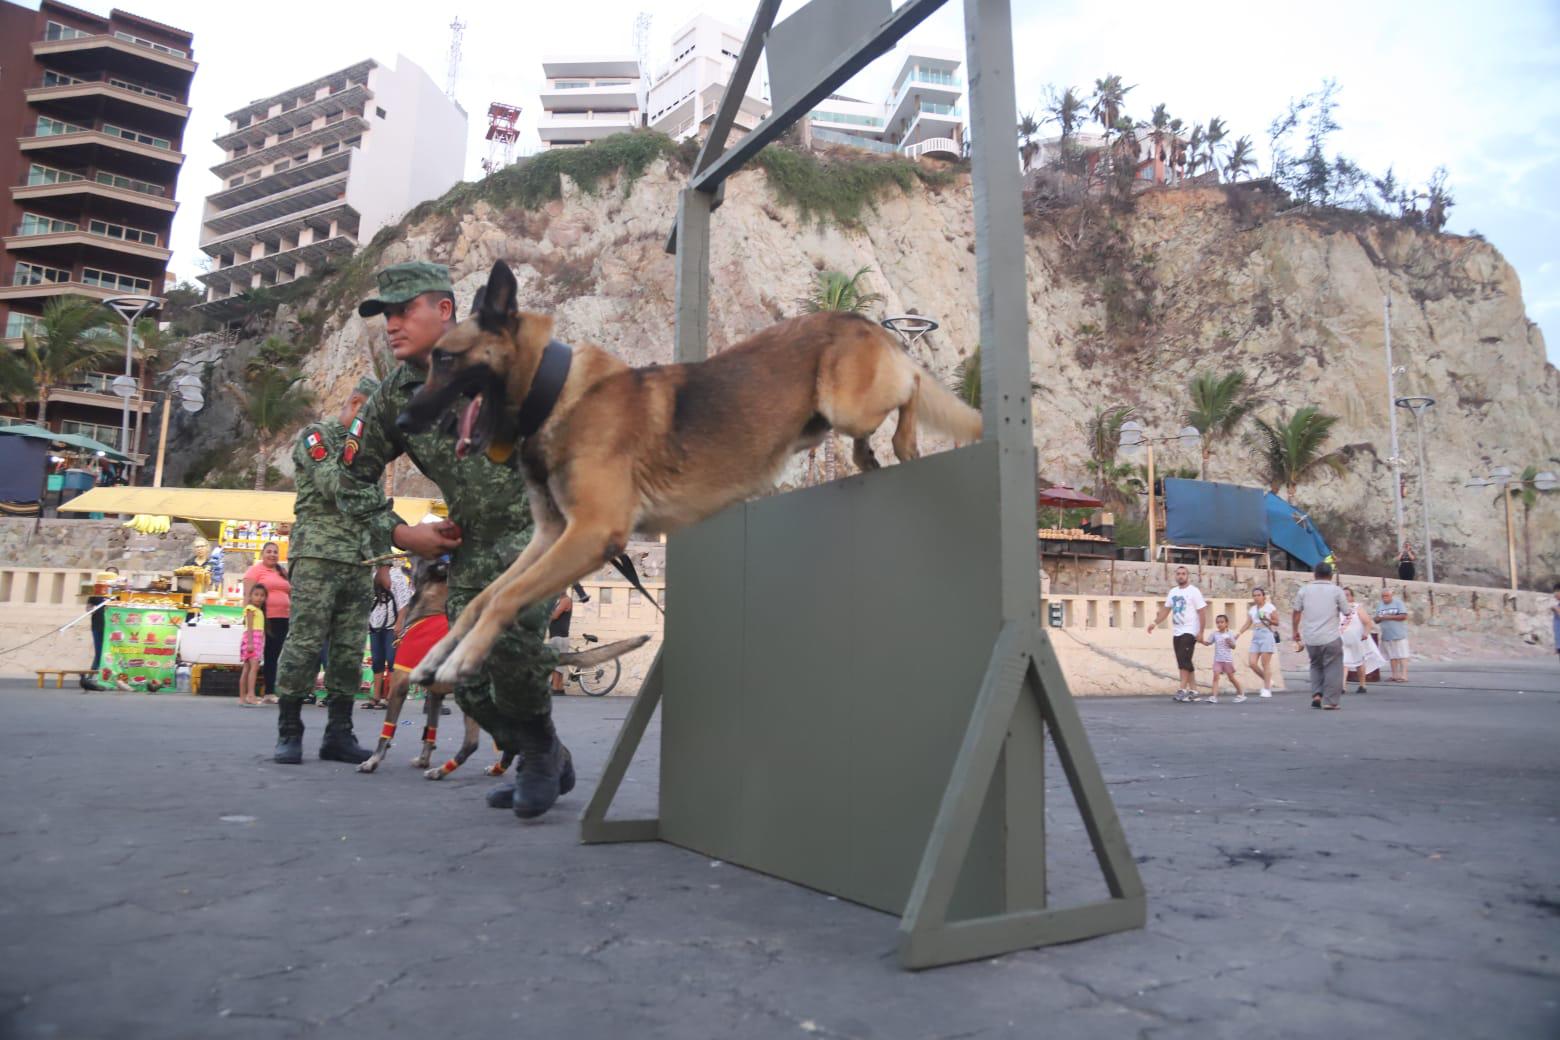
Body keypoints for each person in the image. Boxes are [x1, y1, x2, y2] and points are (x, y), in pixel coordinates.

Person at [333, 262, 569, 819]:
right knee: (463, 677)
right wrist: (402, 533)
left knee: (509, 648)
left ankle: (536, 757)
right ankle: (545, 751)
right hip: (469, 543)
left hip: (536, 533)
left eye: (403, 310)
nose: (391, 324)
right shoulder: (394, 397)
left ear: (444, 311)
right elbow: (349, 477)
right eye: (384, 315)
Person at [268, 377, 382, 765]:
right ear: (354, 404)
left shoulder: (367, 450)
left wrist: (381, 562)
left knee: (350, 650)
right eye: (369, 415)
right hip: (318, 555)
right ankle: (290, 730)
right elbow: (334, 485)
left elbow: (376, 509)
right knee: (305, 642)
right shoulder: (318, 438)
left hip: (358, 560)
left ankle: (339, 734)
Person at [1292, 561, 1350, 710]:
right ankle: (1330, 701)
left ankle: (1317, 695)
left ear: (1314, 574)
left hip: (1311, 637)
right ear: (1331, 575)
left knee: (1315, 665)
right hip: (1330, 636)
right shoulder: (1337, 591)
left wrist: (1295, 631)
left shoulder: (1304, 590)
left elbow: (1296, 612)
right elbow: (1347, 611)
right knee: (1333, 667)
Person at [1147, 564, 1209, 703]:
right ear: (1175, 576)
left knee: (1183, 659)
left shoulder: (1194, 591)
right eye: (1178, 573)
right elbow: (1166, 610)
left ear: (1187, 576)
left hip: (1190, 630)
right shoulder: (1173, 592)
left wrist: (1201, 632)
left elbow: (1202, 612)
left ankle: (1182, 690)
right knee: (1185, 660)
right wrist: (1154, 623)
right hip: (1177, 631)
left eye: (1183, 573)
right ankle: (1194, 691)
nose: (1180, 576)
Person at [242, 542, 291, 701]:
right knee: (257, 656)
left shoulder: (282, 571)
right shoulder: (254, 571)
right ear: (262, 553)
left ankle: (269, 690)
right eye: (269, 551)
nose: (272, 555)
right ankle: (251, 692)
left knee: (274, 655)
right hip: (264, 618)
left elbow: (290, 592)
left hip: (283, 617)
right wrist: (247, 618)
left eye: (275, 552)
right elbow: (247, 596)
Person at [365, 562, 412, 709]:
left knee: (392, 660)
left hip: (393, 624)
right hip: (375, 624)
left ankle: (391, 697)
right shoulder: (373, 575)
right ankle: (376, 696)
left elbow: (404, 603)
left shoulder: (397, 577)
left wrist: (400, 622)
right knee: (377, 660)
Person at [1340, 588, 1387, 696]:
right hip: (1343, 639)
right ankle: (1342, 686)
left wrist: (1366, 633)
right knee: (1343, 663)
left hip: (1357, 639)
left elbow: (1368, 622)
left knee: (1359, 662)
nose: (1345, 597)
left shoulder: (1357, 608)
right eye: (1343, 595)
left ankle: (1362, 684)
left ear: (1352, 597)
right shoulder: (1338, 608)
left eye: (1347, 595)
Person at [1236, 586, 1279, 698]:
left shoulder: (1270, 607)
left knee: (1265, 664)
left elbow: (1276, 622)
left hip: (1266, 635)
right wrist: (1239, 633)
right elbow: (1248, 623)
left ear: (1263, 596)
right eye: (1254, 595)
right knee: (1252, 663)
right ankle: (1268, 680)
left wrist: (1267, 619)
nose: (1256, 597)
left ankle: (1267, 689)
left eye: (1259, 595)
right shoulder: (1252, 609)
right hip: (1256, 636)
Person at [1201, 614, 1244, 703]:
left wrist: (1230, 642)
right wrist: (1200, 640)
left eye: (1222, 622)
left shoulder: (1230, 634)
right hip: (1218, 660)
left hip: (1227, 660)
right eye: (1217, 622)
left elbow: (1233, 647)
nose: (1219, 624)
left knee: (1231, 678)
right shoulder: (1214, 634)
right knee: (1215, 677)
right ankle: (1214, 697)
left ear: (1226, 623)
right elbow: (1208, 643)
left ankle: (1241, 694)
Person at [1374, 587, 1411, 682]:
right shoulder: (1380, 605)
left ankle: (1404, 675)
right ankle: (1395, 675)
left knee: (1402, 655)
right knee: (1392, 656)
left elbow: (1404, 616)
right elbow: (1376, 619)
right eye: (1383, 596)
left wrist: (1388, 617)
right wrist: (1379, 618)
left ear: (1391, 596)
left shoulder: (1398, 603)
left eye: (1387, 596)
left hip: (1399, 633)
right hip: (1386, 634)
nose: (1385, 598)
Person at [239, 584, 268, 707]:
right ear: (250, 596)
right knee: (253, 668)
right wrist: (250, 642)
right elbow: (249, 627)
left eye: (262, 595)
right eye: (256, 595)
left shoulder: (259, 611)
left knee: (247, 668)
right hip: (251, 640)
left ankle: (242, 697)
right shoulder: (250, 609)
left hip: (256, 640)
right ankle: (250, 695)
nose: (259, 598)